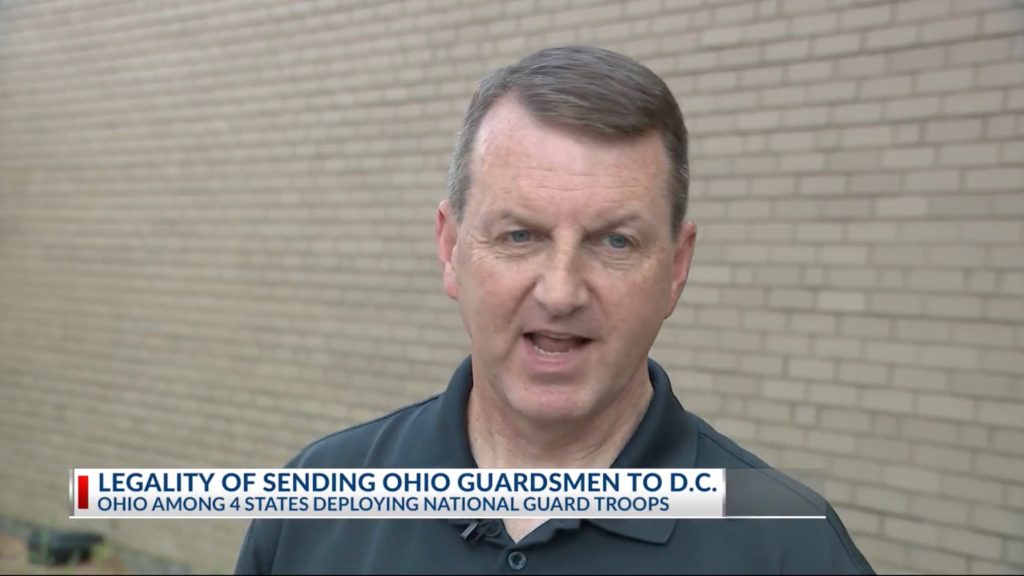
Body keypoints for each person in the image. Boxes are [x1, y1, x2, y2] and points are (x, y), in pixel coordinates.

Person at [235, 46, 874, 574]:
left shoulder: (791, 549)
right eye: (521, 235)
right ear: (451, 248)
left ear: (676, 268)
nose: (561, 292)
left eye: (615, 242)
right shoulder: (315, 510)